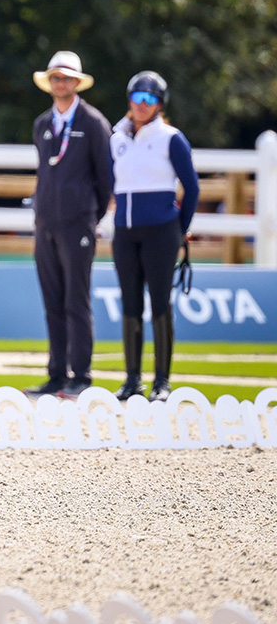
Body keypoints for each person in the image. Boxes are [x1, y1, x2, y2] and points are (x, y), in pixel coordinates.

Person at [26, 51, 113, 399]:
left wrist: (93, 215)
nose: (60, 83)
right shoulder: (43, 124)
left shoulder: (93, 124)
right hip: (45, 222)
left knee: (76, 300)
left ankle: (82, 374)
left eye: (66, 78)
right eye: (55, 78)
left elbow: (106, 178)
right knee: (52, 300)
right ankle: (56, 373)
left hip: (78, 223)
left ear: (77, 82)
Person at [109, 71, 200, 402]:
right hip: (125, 232)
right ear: (130, 100)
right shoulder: (116, 136)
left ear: (159, 105)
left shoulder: (171, 138)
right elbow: (112, 182)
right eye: (137, 97)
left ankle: (162, 381)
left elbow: (192, 187)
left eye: (150, 99)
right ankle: (132, 378)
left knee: (160, 303)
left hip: (161, 231)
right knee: (130, 303)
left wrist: (179, 228)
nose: (142, 104)